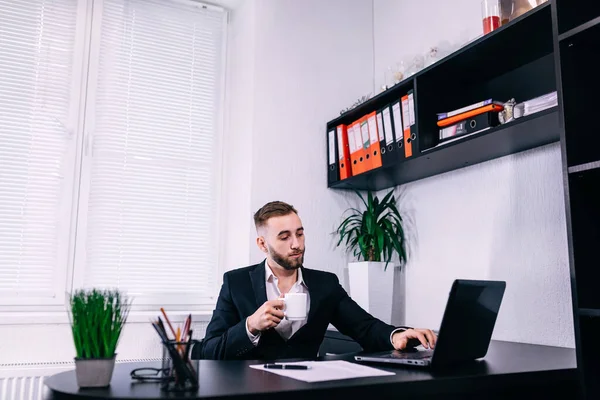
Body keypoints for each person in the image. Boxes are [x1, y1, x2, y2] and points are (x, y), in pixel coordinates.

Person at [200, 201, 437, 360]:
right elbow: (208, 351)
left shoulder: (326, 284)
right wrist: (250, 326)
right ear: (263, 244)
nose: (296, 244)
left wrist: (396, 335)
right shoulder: (236, 283)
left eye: (300, 233)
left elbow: (364, 327)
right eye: (284, 237)